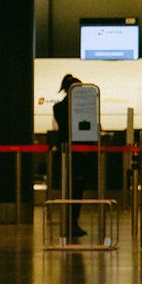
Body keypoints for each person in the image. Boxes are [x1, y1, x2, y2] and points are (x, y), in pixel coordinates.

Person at [53, 74, 88, 237]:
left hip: (68, 154)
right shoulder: (71, 109)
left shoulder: (59, 108)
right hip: (76, 155)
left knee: (71, 189)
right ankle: (71, 222)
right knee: (75, 190)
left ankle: (71, 222)